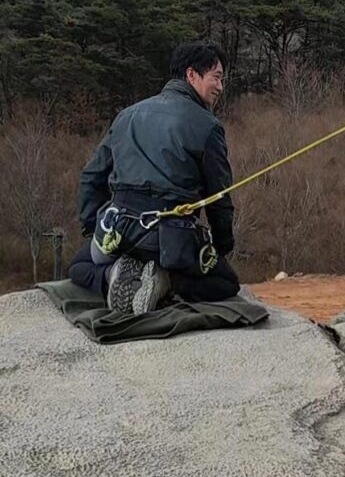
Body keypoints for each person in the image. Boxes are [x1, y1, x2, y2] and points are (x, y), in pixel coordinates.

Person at [69, 42, 239, 313]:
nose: (220, 87)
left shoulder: (127, 115)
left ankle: (110, 275)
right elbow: (218, 197)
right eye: (216, 78)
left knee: (78, 266)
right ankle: (167, 282)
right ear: (191, 74)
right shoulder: (207, 126)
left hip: (120, 233)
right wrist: (221, 246)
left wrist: (95, 230)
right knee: (226, 282)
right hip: (172, 244)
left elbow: (91, 176)